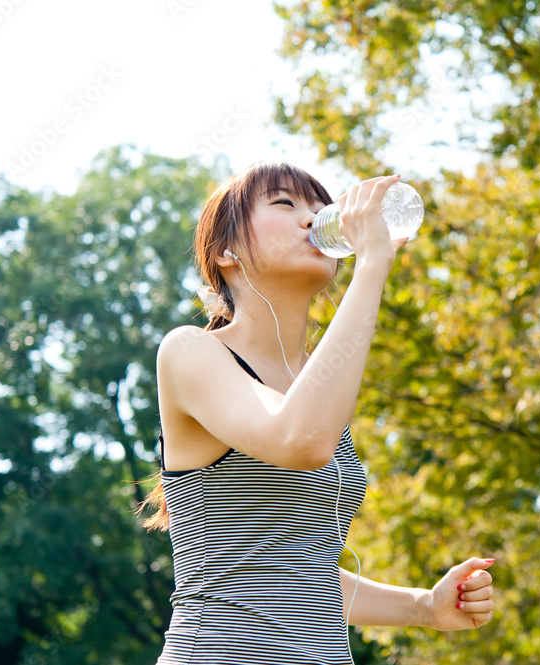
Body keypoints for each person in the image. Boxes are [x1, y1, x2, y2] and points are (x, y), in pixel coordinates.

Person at [136, 162, 496, 665]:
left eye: (318, 206)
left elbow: (301, 574)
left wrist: (427, 608)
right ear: (226, 252)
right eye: (285, 204)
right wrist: (372, 267)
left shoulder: (319, 386)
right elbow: (299, 440)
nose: (314, 218)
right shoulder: (189, 352)